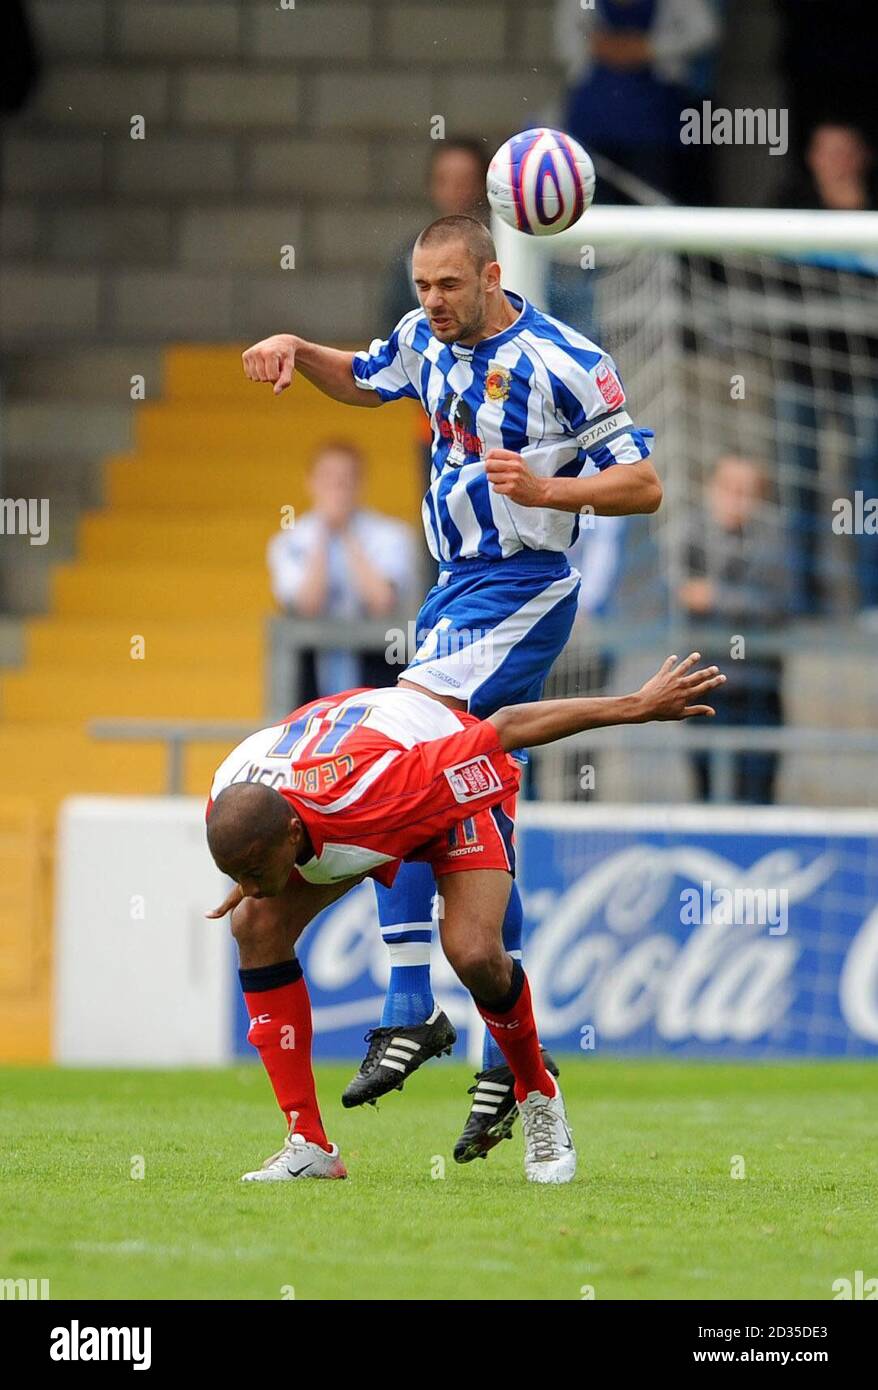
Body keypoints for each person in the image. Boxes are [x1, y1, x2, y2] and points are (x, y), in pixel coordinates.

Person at [241, 213, 661, 1161]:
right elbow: (363, 378)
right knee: (461, 798)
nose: (430, 303)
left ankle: (408, 1004)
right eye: (421, 286)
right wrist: (298, 347)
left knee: (411, 751)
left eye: (446, 287)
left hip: (523, 587)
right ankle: (497, 1059)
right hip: (451, 592)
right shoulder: (421, 340)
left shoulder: (567, 360)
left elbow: (644, 484)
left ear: (490, 275)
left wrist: (548, 493)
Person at [205, 653, 725, 1184]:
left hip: (451, 784)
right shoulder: (230, 791)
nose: (244, 885)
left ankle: (538, 1096)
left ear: (290, 834)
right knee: (254, 924)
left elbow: (507, 726)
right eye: (234, 872)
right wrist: (253, 879)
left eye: (250, 870)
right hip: (358, 786)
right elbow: (272, 821)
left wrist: (637, 705)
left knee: (474, 952)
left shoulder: (382, 790)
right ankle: (308, 1144)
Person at [774, 123, 878, 617]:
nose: (835, 161)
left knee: (868, 495)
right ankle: (802, 605)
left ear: (862, 157)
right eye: (826, 151)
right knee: (799, 488)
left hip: (868, 375)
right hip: (800, 372)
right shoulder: (788, 204)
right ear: (811, 157)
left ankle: (871, 605)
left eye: (845, 150)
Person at [266, 441, 416, 700]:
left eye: (346, 479)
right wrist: (324, 534)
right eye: (328, 478)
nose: (337, 487)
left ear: (361, 483)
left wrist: (346, 533)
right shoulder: (289, 540)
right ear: (310, 481)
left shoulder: (392, 535)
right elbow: (307, 605)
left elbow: (381, 601)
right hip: (310, 673)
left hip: (378, 667)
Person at [678, 456, 788, 804]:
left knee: (755, 792)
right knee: (704, 790)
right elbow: (678, 593)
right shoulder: (692, 534)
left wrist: (717, 598)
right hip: (704, 685)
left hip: (758, 685)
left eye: (745, 490)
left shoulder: (775, 540)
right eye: (728, 488)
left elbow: (780, 605)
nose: (735, 498)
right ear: (712, 489)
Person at [554, 0, 721, 203]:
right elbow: (566, 38)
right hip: (592, 121)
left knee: (649, 204)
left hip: (653, 126)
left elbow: (704, 30)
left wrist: (649, 46)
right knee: (592, 205)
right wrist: (602, 45)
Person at [382, 139, 489, 330]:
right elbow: (395, 324)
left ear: (482, 184)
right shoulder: (412, 253)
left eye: (465, 180)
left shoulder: (508, 249)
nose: (454, 190)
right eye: (443, 180)